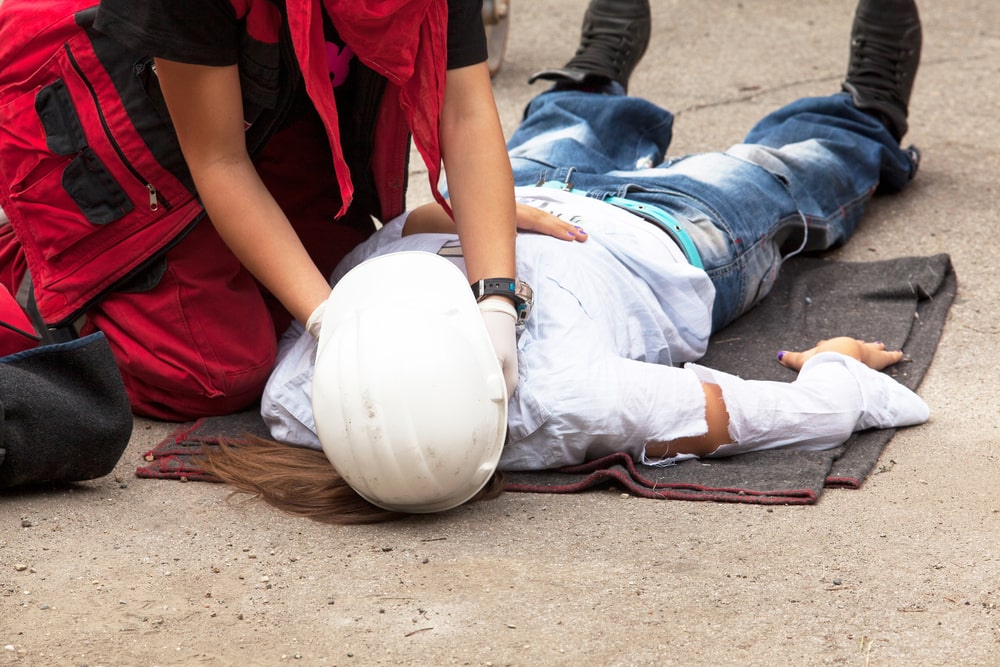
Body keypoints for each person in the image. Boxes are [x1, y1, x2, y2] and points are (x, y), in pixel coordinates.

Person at [199, 0, 929, 522]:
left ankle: (593, 73)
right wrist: (837, 361)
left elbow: (426, 179)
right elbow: (803, 412)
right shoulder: (571, 401)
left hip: (494, 205)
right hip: (660, 234)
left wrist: (436, 223)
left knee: (555, 125)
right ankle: (866, 109)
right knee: (786, 168)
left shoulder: (309, 398)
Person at [0, 0, 520, 420]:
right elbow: (218, 158)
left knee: (340, 268)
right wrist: (335, 326)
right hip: (92, 98)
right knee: (215, 372)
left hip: (257, 113)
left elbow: (465, 109)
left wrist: (497, 294)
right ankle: (44, 273)